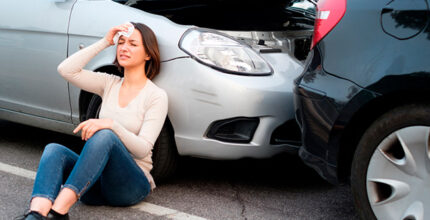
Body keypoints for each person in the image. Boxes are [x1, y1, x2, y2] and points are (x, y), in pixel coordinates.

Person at [17, 22, 168, 220]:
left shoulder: (156, 96)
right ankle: (36, 214)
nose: (123, 47)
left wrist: (111, 125)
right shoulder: (109, 83)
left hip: (130, 185)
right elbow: (66, 70)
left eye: (133, 44)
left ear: (148, 54)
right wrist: (105, 41)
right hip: (95, 183)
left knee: (105, 134)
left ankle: (58, 212)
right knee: (54, 150)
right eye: (121, 42)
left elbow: (142, 149)